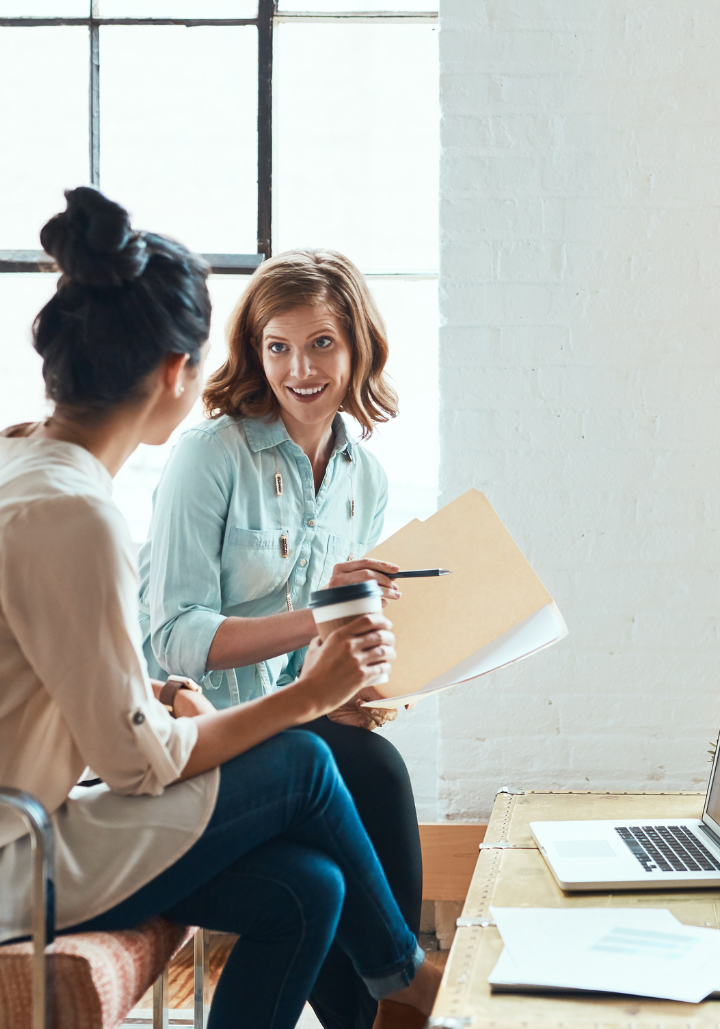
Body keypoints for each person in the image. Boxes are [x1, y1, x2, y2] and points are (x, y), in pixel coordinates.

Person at [0, 187, 440, 1029]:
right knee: (306, 761)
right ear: (173, 374)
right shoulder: (73, 511)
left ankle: (394, 976)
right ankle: (406, 977)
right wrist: (307, 695)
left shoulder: (18, 461)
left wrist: (159, 699)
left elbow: (55, 681)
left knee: (309, 888)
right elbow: (136, 767)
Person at [139, 249, 421, 1029]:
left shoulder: (365, 477)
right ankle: (402, 994)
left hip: (293, 729)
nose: (300, 368)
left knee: (356, 776)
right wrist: (326, 617)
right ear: (255, 352)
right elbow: (173, 639)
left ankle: (388, 1003)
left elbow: (309, 663)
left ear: (358, 346)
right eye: (278, 346)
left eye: (322, 344)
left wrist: (355, 682)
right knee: (374, 776)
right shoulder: (209, 455)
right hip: (199, 736)